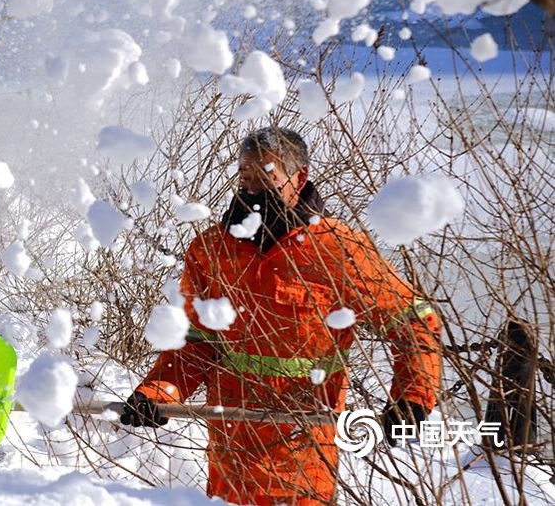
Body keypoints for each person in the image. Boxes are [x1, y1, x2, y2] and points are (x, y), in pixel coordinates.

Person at [118, 126, 442, 505]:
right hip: (230, 461)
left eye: (265, 176)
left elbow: (413, 318)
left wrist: (412, 399)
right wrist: (157, 393)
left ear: (298, 177)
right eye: (244, 176)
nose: (251, 187)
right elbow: (195, 344)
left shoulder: (338, 250)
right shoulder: (212, 249)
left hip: (305, 456)